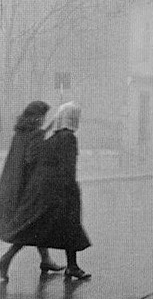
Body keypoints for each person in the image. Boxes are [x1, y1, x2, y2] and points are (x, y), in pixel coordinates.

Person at [4, 102, 91, 280]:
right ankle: (5, 260)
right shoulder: (68, 138)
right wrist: (71, 189)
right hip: (59, 192)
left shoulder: (52, 137)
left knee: (64, 228)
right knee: (37, 228)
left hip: (42, 189)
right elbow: (68, 168)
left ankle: (69, 265)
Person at [0, 101, 64, 281]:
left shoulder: (20, 132)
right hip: (29, 186)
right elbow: (31, 158)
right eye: (43, 117)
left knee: (38, 223)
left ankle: (46, 259)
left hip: (13, 184)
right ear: (37, 116)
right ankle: (5, 259)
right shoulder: (35, 134)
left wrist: (45, 131)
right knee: (31, 225)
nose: (43, 120)